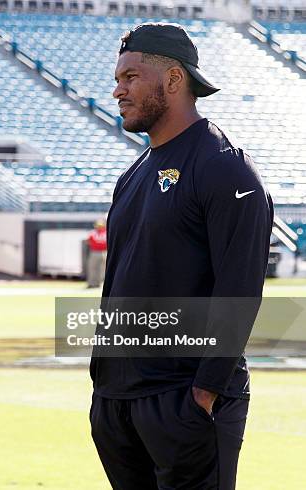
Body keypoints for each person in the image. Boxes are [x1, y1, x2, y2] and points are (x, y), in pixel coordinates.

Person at [89, 23, 273, 489]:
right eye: (117, 79)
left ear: (173, 79)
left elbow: (240, 288)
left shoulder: (223, 166)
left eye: (130, 77)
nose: (117, 91)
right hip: (118, 403)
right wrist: (103, 390)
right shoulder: (132, 176)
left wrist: (204, 393)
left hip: (184, 400)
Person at [86, 219, 107, 288]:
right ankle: (94, 283)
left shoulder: (105, 232)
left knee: (101, 269)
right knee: (95, 268)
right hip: (98, 252)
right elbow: (88, 241)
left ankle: (98, 283)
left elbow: (88, 241)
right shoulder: (93, 232)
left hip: (100, 252)